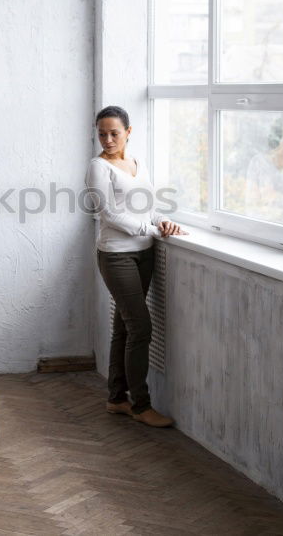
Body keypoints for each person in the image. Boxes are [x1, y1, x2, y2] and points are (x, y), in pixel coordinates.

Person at [85, 106, 185, 428]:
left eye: (114, 133)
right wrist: (150, 230)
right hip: (116, 254)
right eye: (102, 134)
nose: (108, 139)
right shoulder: (98, 168)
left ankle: (116, 399)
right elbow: (109, 215)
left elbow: (148, 207)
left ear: (129, 131)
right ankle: (141, 405)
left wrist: (163, 221)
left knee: (125, 326)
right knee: (140, 327)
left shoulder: (137, 165)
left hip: (144, 253)